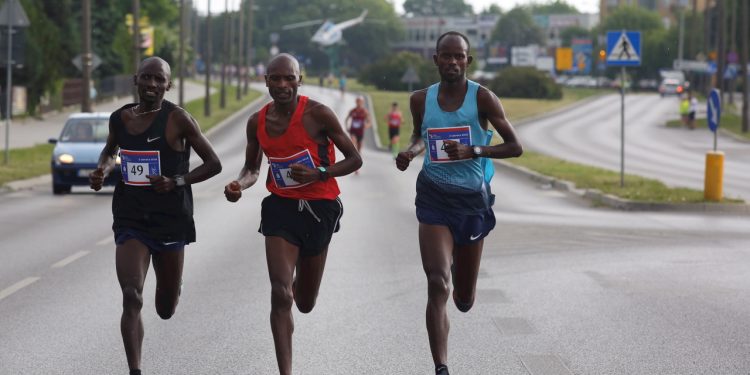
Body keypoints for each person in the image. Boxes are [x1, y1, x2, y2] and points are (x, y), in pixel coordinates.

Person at [223, 53, 361, 375]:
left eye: (289, 78)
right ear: (266, 81)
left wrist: (320, 173)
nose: (283, 85)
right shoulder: (257, 121)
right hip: (280, 207)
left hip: (320, 208)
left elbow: (354, 159)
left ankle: (299, 283)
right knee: (280, 292)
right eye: (276, 78)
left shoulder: (318, 114)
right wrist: (239, 185)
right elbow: (252, 168)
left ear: (300, 79)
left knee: (305, 302)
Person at [395, 31, 522, 375]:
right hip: (433, 196)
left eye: (459, 56)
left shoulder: (484, 99)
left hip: (471, 202)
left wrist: (474, 150)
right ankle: (441, 367)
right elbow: (420, 135)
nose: (452, 62)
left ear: (468, 60)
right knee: (437, 282)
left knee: (463, 300)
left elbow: (514, 146)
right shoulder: (421, 99)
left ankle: (463, 287)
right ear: (435, 60)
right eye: (445, 56)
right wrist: (410, 152)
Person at [89, 56, 222, 375]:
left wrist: (176, 181)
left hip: (170, 218)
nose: (151, 84)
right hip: (131, 217)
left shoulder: (179, 120)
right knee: (132, 295)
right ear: (136, 79)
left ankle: (172, 289)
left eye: (158, 79)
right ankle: (135, 369)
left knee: (165, 309)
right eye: (146, 77)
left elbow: (213, 164)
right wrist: (103, 169)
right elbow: (111, 151)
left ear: (168, 85)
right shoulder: (120, 118)